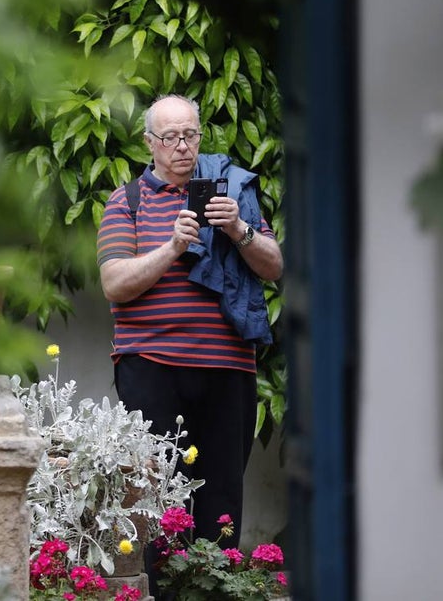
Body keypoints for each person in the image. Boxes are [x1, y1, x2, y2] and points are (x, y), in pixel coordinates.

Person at [96, 94, 283, 593]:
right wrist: (174, 246)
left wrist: (239, 229)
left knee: (222, 497)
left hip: (227, 367)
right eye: (170, 137)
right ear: (149, 143)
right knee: (158, 499)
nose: (183, 147)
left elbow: (275, 266)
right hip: (151, 366)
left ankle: (215, 592)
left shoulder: (232, 191)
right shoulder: (126, 201)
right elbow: (115, 283)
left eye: (191, 135)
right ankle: (161, 591)